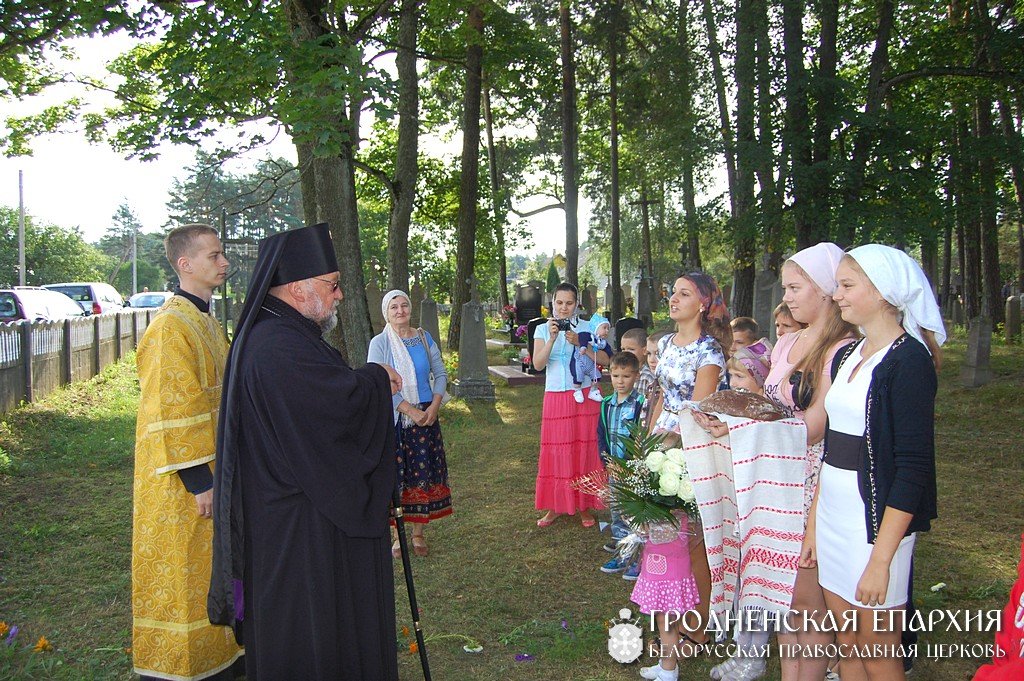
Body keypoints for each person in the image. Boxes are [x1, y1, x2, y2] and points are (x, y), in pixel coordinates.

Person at [208, 223, 404, 680]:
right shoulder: (276, 347)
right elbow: (329, 412)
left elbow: (319, 398)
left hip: (293, 518)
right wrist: (373, 380)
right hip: (298, 530)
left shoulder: (283, 335)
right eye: (332, 286)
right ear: (298, 287)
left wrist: (363, 380)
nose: (339, 296)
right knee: (309, 637)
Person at [805, 244, 943, 681]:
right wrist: (813, 525)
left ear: (883, 293)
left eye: (847, 286)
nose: (837, 295)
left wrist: (881, 560)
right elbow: (833, 448)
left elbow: (913, 467)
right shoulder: (848, 355)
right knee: (847, 644)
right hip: (833, 519)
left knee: (877, 651)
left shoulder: (907, 362)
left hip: (875, 528)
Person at [132, 224, 242, 681]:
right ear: (185, 264)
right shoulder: (169, 327)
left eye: (222, 255)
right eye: (214, 255)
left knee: (222, 564)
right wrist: (201, 481)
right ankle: (186, 667)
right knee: (187, 573)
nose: (224, 262)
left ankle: (231, 652)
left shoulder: (204, 319)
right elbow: (170, 406)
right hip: (187, 486)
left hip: (221, 470)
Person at [760, 242, 857, 681]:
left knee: (807, 603)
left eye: (796, 287)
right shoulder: (788, 341)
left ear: (823, 290)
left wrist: (754, 429)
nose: (788, 298)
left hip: (810, 480)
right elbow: (767, 404)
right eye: (786, 288)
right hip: (776, 473)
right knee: (783, 599)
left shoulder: (842, 350)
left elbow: (816, 425)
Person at [645, 272, 732, 677]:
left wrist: (669, 451)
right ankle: (679, 625)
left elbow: (698, 408)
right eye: (672, 292)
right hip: (659, 443)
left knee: (694, 541)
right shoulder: (664, 343)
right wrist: (645, 447)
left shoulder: (709, 350)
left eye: (683, 294)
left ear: (702, 304)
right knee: (674, 539)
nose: (673, 299)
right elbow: (662, 395)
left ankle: (697, 628)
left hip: (690, 447)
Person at [367, 289, 452, 558]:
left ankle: (417, 533)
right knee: (397, 474)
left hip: (427, 415)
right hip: (396, 419)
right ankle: (396, 535)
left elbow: (439, 373)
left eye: (404, 305)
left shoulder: (424, 338)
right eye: (394, 307)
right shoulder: (380, 343)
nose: (400, 311)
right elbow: (378, 383)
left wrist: (435, 406)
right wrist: (408, 410)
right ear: (386, 313)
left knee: (422, 474)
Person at [533, 282, 611, 528]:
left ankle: (584, 504)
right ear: (552, 303)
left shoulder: (589, 327)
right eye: (559, 303)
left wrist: (582, 343)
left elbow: (607, 359)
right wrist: (552, 339)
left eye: (569, 303)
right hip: (556, 396)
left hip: (586, 396)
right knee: (556, 451)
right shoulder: (542, 330)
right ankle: (556, 505)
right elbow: (537, 364)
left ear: (577, 304)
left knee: (584, 449)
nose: (564, 308)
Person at [596, 352, 646, 579]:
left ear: (636, 376)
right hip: (614, 468)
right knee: (617, 510)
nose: (620, 381)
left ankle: (639, 555)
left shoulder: (641, 404)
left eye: (626, 376)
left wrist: (629, 465)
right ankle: (622, 552)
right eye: (616, 375)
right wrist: (607, 461)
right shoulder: (606, 404)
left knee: (634, 511)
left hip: (632, 469)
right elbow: (601, 434)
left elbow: (641, 437)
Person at [570, 313, 610, 403]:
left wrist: (613, 360)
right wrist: (583, 346)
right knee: (578, 376)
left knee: (597, 376)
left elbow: (609, 352)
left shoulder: (602, 342)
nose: (607, 331)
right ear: (596, 328)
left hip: (591, 365)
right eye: (604, 328)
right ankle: (577, 391)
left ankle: (593, 391)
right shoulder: (589, 336)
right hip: (579, 361)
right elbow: (582, 337)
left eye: (608, 329)